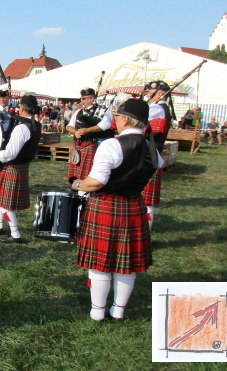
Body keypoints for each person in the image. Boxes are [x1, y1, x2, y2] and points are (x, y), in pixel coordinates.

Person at [70, 98, 162, 321]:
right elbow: (156, 166)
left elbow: (96, 182)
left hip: (106, 205)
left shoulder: (111, 145)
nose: (115, 121)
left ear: (127, 119)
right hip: (133, 205)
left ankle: (97, 312)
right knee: (126, 265)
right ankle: (118, 310)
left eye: (118, 117)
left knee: (100, 264)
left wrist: (77, 184)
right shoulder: (153, 150)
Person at [0, 95, 42, 244]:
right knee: (2, 200)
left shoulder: (21, 128)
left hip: (13, 167)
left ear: (23, 108)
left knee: (4, 204)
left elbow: (10, 154)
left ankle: (15, 234)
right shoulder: (36, 125)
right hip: (22, 167)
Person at [142, 80, 173, 230]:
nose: (147, 94)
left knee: (146, 200)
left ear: (160, 94)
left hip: (149, 157)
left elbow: (137, 119)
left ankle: (145, 231)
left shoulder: (156, 108)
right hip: (149, 155)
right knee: (143, 199)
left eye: (150, 92)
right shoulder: (161, 108)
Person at [66, 88, 113, 183]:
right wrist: (75, 132)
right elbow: (69, 126)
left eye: (84, 98)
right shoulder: (78, 112)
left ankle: (85, 189)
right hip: (78, 145)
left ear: (92, 98)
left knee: (88, 173)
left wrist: (87, 130)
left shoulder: (101, 111)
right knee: (76, 173)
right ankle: (76, 185)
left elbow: (105, 125)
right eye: (81, 98)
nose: (81, 101)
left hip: (91, 145)